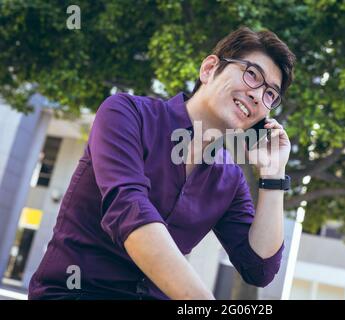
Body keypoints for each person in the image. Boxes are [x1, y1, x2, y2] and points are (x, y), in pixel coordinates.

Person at [28, 26, 296, 300]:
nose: (257, 95)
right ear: (209, 69)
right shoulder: (126, 114)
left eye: (270, 94)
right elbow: (130, 212)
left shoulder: (229, 178)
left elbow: (259, 269)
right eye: (252, 74)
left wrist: (273, 175)